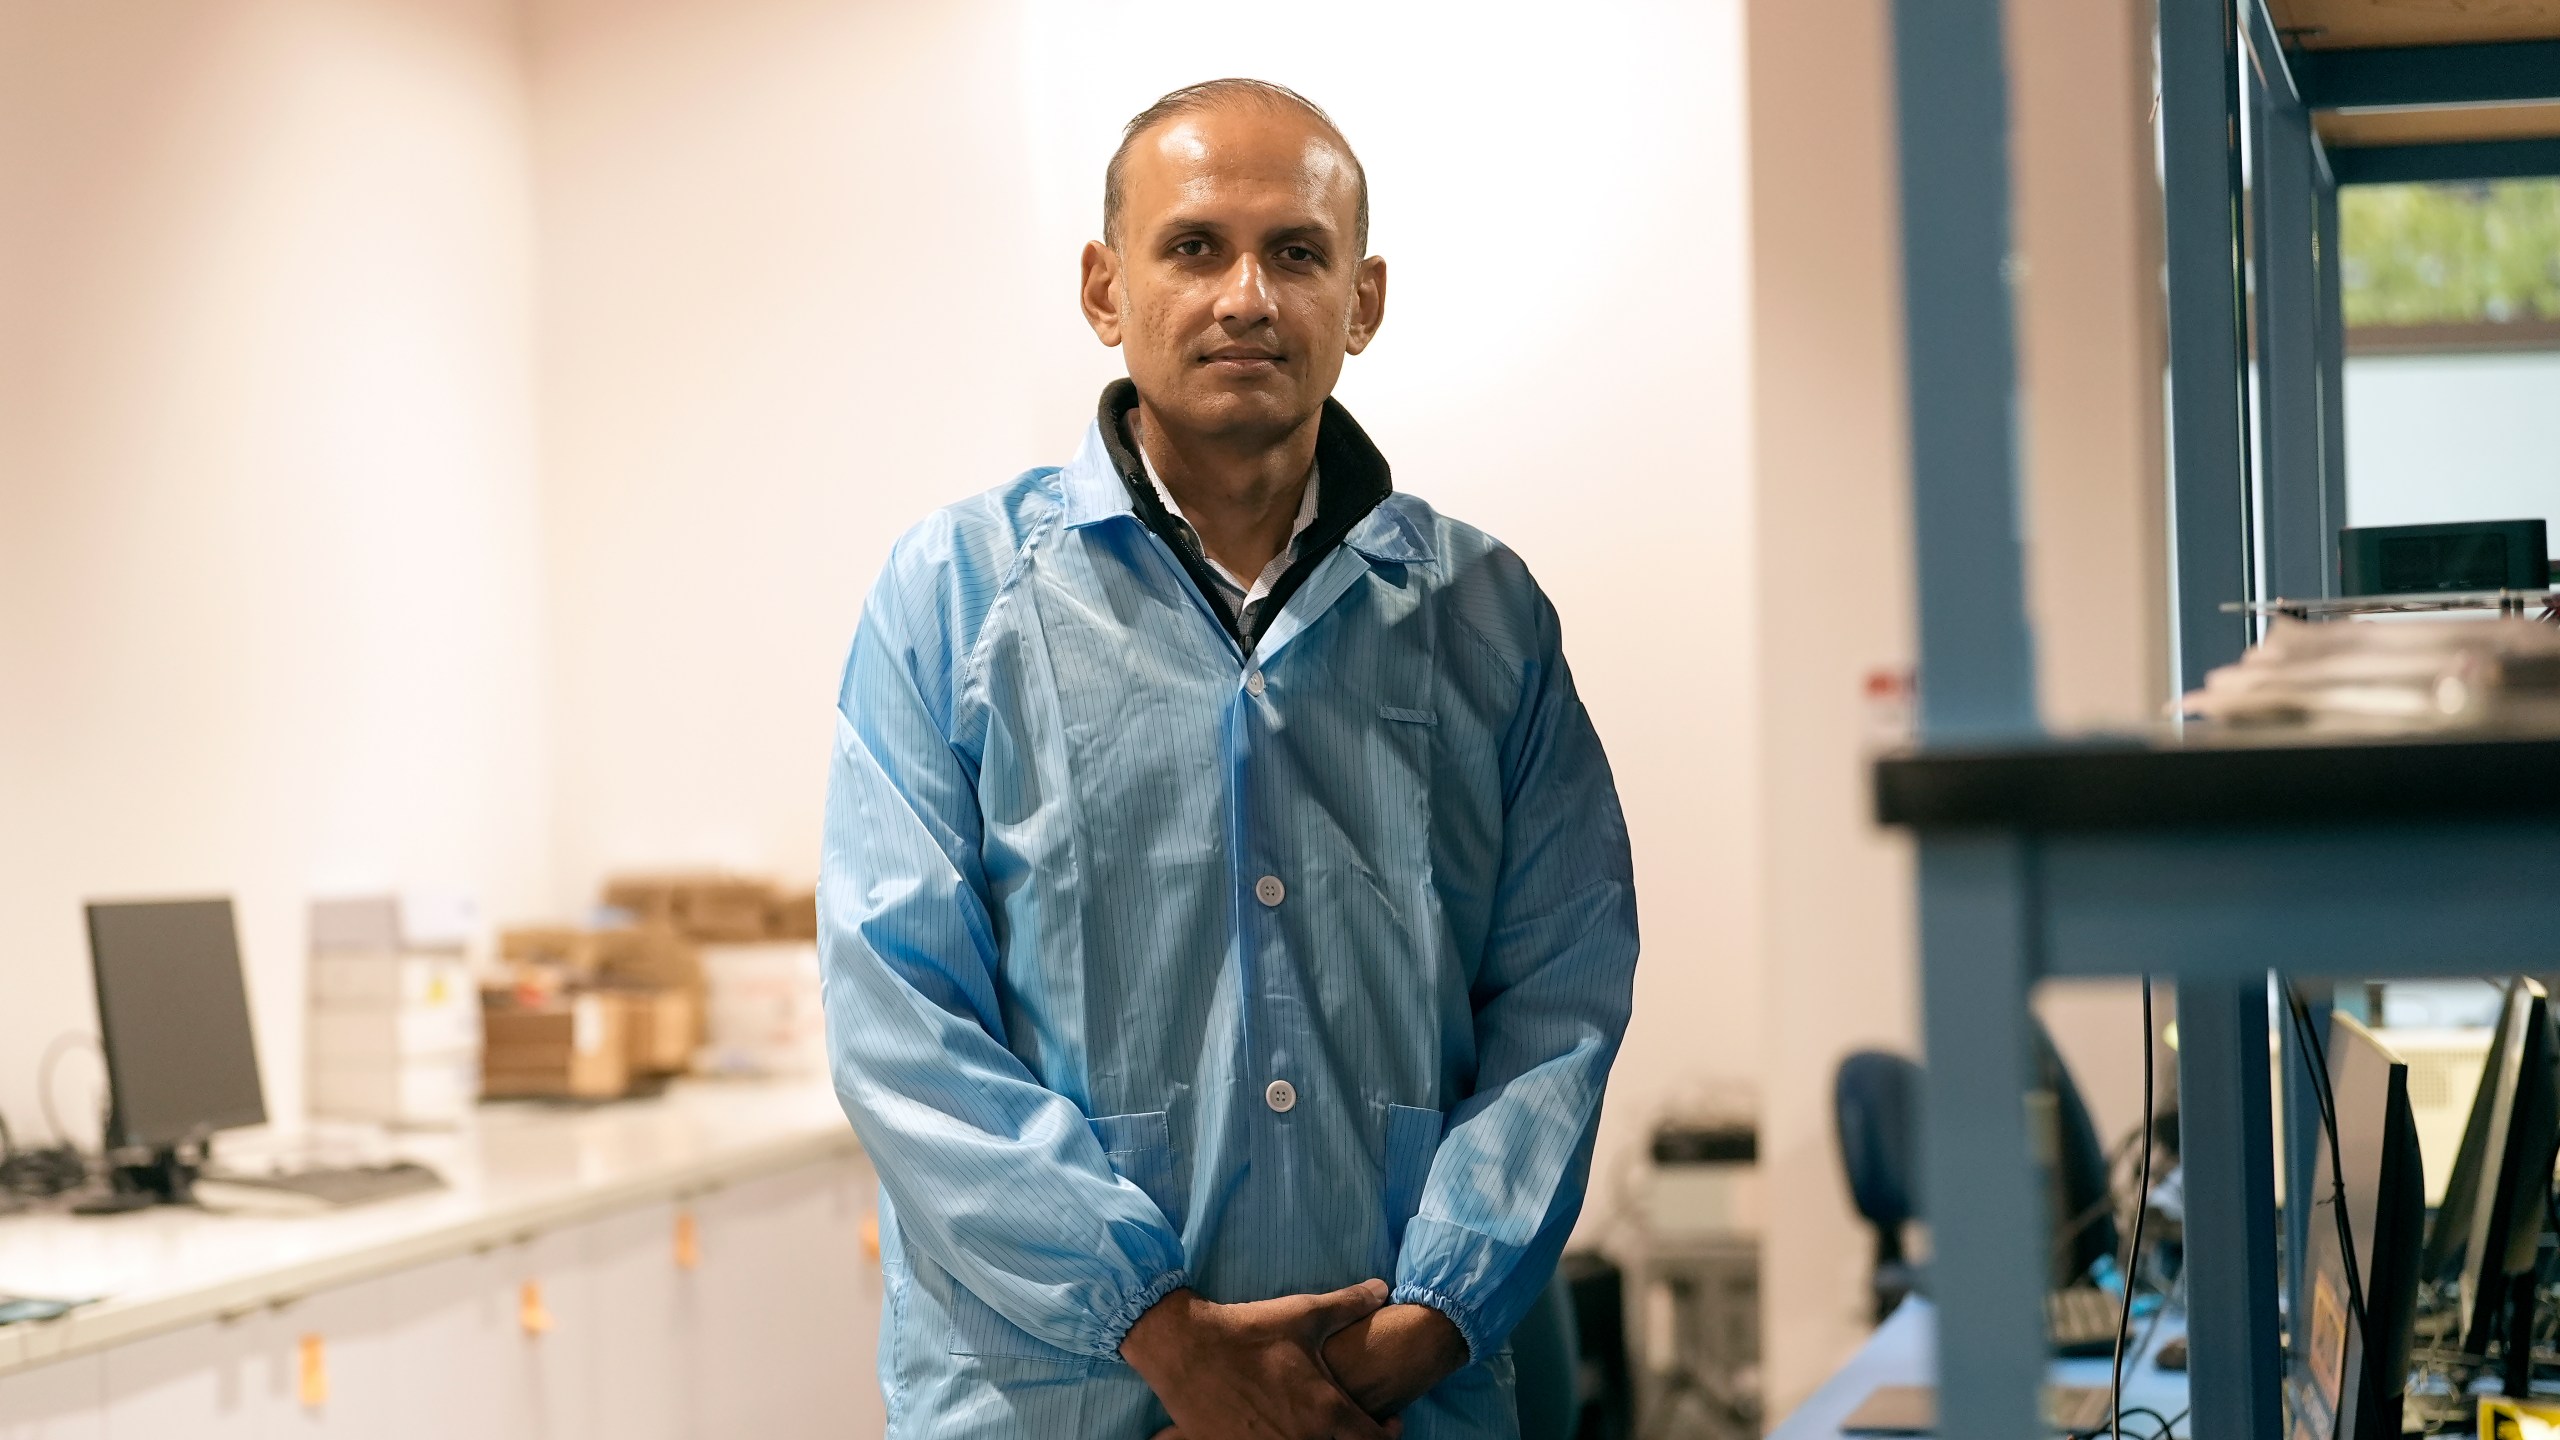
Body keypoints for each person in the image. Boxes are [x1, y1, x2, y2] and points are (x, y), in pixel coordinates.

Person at [820, 77, 1638, 1440]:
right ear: (1104, 286)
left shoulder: (1483, 615)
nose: (1246, 296)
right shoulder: (954, 600)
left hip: (1398, 1408)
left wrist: (1433, 1315)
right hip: (1055, 1401)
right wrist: (1159, 1333)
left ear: (1363, 302)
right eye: (1193, 246)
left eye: (1297, 253)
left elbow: (1562, 998)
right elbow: (901, 1022)